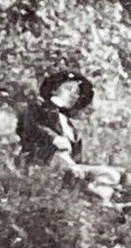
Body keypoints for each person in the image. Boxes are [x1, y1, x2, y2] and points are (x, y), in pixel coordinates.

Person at [16, 69, 124, 202]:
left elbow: (77, 158)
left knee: (113, 176)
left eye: (77, 93)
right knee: (104, 177)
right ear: (54, 90)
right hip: (43, 164)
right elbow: (30, 127)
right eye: (68, 89)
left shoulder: (71, 128)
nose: (74, 95)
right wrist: (53, 138)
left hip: (69, 170)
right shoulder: (39, 109)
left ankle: (103, 204)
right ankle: (99, 200)